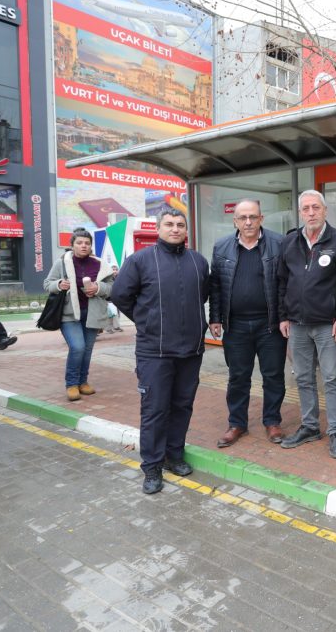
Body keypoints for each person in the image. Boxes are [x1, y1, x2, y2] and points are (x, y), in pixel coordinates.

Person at [111, 208, 210, 495]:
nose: (175, 229)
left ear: (186, 230)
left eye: (180, 224)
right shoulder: (140, 260)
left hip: (191, 350)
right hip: (154, 351)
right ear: (158, 228)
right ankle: (152, 466)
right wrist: (146, 320)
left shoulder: (198, 262)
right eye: (169, 224)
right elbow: (120, 295)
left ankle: (173, 456)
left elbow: (202, 295)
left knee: (182, 405)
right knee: (155, 410)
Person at [277, 190, 336, 459]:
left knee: (332, 378)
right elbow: (282, 282)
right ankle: (310, 427)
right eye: (306, 208)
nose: (311, 213)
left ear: (325, 210)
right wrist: (283, 316)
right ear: (300, 213)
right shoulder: (289, 242)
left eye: (316, 207)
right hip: (297, 324)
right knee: (303, 377)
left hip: (327, 325)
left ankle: (335, 431)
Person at [209, 199, 287, 448]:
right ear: (235, 221)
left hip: (270, 325)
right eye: (243, 217)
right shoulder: (222, 247)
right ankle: (237, 423)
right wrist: (215, 317)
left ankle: (272, 421)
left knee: (273, 376)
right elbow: (216, 286)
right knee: (238, 377)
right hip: (236, 326)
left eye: (253, 217)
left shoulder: (278, 244)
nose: (248, 222)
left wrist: (284, 317)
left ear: (261, 218)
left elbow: (285, 285)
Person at [43, 228, 117, 401]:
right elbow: (47, 284)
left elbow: (112, 288)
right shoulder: (62, 262)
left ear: (91, 246)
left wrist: (98, 288)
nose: (84, 246)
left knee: (87, 349)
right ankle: (71, 384)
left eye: (87, 243)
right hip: (69, 314)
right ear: (72, 245)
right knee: (78, 347)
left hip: (92, 313)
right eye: (79, 243)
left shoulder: (100, 265)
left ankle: (83, 382)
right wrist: (59, 284)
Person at [105, 265, 123, 333]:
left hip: (117, 298)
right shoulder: (108, 278)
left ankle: (116, 326)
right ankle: (109, 328)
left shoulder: (119, 278)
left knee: (116, 313)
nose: (114, 271)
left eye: (116, 269)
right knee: (110, 314)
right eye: (113, 269)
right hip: (109, 299)